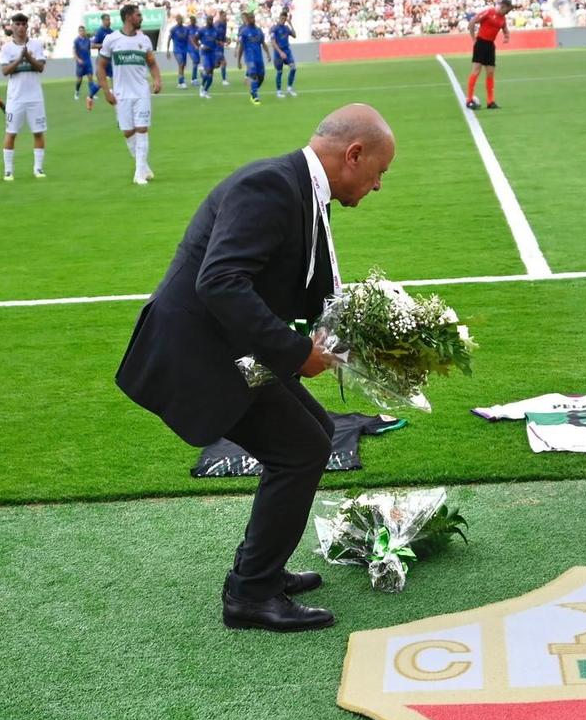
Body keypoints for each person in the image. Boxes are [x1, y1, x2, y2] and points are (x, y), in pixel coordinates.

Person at [115, 105, 395, 632]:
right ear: (353, 155)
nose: (379, 185)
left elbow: (309, 288)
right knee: (301, 448)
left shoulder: (304, 191)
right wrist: (296, 353)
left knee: (315, 433)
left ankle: (258, 570)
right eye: (380, 171)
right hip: (197, 355)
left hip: (232, 349)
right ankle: (250, 594)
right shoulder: (269, 185)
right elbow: (219, 282)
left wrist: (365, 337)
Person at [95, 3, 161, 186]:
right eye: (138, 15)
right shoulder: (112, 39)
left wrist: (157, 79)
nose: (141, 18)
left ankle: (138, 174)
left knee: (142, 129)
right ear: (129, 17)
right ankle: (143, 167)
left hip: (141, 92)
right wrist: (105, 90)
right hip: (121, 94)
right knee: (128, 132)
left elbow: (152, 63)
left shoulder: (144, 40)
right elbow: (100, 66)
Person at [0, 12, 46, 181]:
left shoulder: (36, 45)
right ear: (12, 27)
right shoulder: (7, 48)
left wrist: (29, 58)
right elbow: (4, 71)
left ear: (27, 27)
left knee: (38, 132)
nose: (20, 27)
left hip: (34, 96)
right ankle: (8, 170)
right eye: (16, 24)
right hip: (15, 97)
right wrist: (20, 59)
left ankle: (38, 168)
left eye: (22, 24)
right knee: (11, 133)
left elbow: (40, 67)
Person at [465, 0, 509, 110]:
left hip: (490, 45)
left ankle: (490, 101)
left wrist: (506, 36)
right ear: (502, 6)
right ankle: (469, 100)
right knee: (476, 70)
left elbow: (504, 28)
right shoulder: (489, 12)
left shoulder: (503, 18)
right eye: (506, 10)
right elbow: (472, 22)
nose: (507, 13)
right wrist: (474, 39)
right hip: (481, 43)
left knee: (490, 72)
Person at [238, 11, 268, 105]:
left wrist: (268, 53)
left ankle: (253, 90)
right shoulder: (244, 32)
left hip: (259, 57)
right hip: (249, 58)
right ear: (247, 20)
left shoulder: (259, 30)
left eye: (253, 18)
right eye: (251, 18)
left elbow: (263, 43)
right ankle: (255, 96)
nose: (253, 19)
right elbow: (241, 46)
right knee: (253, 75)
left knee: (261, 77)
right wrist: (239, 60)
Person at [270, 12, 298, 98]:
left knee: (293, 68)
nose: (283, 20)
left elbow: (294, 35)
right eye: (281, 18)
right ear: (279, 17)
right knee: (279, 72)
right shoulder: (274, 28)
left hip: (287, 51)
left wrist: (291, 24)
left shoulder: (286, 28)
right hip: (278, 52)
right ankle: (279, 91)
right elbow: (273, 42)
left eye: (284, 19)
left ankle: (289, 88)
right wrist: (280, 52)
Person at [72, 25, 99, 110]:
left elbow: (91, 47)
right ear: (79, 32)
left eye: (83, 31)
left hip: (88, 62)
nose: (82, 32)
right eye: (81, 31)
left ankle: (92, 93)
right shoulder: (76, 41)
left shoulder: (87, 40)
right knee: (79, 79)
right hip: (80, 63)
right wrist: (78, 59)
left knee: (90, 78)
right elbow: (74, 52)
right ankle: (77, 92)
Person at [195, 13, 222, 99]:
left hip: (213, 53)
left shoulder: (215, 30)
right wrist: (201, 46)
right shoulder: (202, 30)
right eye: (209, 20)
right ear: (206, 21)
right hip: (205, 53)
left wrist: (223, 42)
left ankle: (205, 91)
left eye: (211, 20)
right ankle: (201, 88)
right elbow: (194, 39)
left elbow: (218, 40)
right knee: (208, 72)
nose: (210, 21)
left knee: (211, 74)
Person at [170, 15, 195, 89]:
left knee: (183, 65)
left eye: (181, 19)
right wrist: (168, 50)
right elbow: (169, 39)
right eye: (179, 19)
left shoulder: (186, 29)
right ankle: (182, 82)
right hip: (177, 49)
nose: (180, 20)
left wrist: (194, 45)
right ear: (176, 20)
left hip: (184, 49)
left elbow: (189, 38)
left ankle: (180, 82)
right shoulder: (173, 29)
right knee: (181, 64)